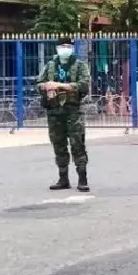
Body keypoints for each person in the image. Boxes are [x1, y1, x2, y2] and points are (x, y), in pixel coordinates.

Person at [37, 36, 92, 192]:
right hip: (54, 111)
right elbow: (38, 84)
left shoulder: (80, 65)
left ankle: (82, 178)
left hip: (73, 110)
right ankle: (63, 178)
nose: (65, 49)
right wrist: (47, 87)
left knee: (77, 144)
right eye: (62, 46)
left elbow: (84, 85)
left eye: (68, 46)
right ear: (57, 48)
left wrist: (61, 85)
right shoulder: (50, 65)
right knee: (58, 144)